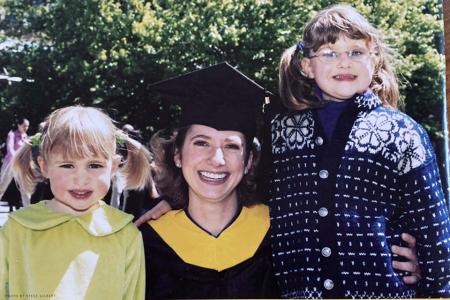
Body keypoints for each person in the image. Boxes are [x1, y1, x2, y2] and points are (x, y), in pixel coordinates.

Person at [266, 4, 449, 298]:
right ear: (307, 66)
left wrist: (438, 288)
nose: (344, 62)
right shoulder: (279, 132)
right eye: (329, 53)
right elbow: (244, 195)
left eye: (355, 52)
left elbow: (433, 227)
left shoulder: (402, 132)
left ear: (374, 59)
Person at [140, 62, 280, 298]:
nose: (217, 159)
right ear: (177, 155)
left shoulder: (277, 234)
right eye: (201, 143)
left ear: (248, 162)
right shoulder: (146, 243)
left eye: (232, 146)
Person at [0, 106, 151, 299]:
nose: (81, 179)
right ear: (44, 166)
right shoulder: (16, 230)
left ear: (113, 167)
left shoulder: (126, 235)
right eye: (67, 165)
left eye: (94, 165)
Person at [0, 117, 30, 207]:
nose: (26, 128)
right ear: (19, 125)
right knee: (2, 186)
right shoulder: (12, 134)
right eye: (24, 126)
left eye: (27, 126)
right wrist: (17, 159)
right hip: (10, 164)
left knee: (25, 187)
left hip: (21, 165)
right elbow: (10, 149)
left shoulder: (26, 137)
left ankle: (28, 208)